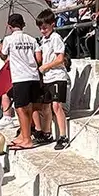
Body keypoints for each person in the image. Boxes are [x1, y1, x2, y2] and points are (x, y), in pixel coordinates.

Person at [0, 14, 42, 150]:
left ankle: (27, 139)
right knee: (29, 108)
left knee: (21, 110)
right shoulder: (32, 39)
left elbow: (3, 56)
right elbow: (39, 59)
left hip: (20, 77)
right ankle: (25, 136)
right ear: (23, 25)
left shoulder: (8, 40)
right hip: (34, 76)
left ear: (9, 26)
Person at [37, 11, 71, 151]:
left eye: (45, 27)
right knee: (46, 107)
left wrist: (46, 66)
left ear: (52, 25)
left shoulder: (56, 38)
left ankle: (63, 136)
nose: (42, 30)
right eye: (40, 28)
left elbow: (60, 59)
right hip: (47, 78)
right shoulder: (43, 40)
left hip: (57, 76)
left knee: (57, 106)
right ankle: (47, 133)